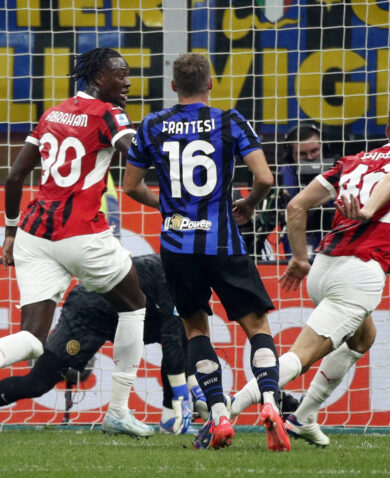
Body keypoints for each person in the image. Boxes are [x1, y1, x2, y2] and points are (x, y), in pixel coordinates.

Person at [0, 48, 155, 437]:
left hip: (32, 233)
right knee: (135, 305)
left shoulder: (51, 114)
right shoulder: (110, 115)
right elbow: (136, 152)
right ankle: (117, 411)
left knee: (32, 337)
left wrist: (9, 233)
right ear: (98, 78)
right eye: (120, 75)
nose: (127, 82)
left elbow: (13, 179)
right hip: (82, 234)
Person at [228, 97, 390, 446]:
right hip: (360, 273)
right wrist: (370, 209)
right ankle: (228, 409)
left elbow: (296, 206)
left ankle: (304, 416)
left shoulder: (351, 162)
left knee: (362, 338)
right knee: (301, 356)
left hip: (322, 268)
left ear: (386, 129)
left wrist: (298, 258)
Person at [122, 52, 290, 452]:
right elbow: (265, 177)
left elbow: (129, 186)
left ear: (174, 86)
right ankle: (269, 402)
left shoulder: (151, 126)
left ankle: (217, 417)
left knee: (195, 328)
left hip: (177, 247)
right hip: (223, 242)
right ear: (211, 84)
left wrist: (167, 206)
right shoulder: (230, 121)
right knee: (257, 326)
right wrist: (248, 204)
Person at [0, 254, 206, 435]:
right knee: (38, 382)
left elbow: (177, 348)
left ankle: (171, 420)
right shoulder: (175, 278)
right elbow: (171, 347)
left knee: (183, 340)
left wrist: (195, 393)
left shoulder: (189, 279)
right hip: (89, 312)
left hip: (129, 318)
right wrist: (190, 395)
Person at [241, 124, 336, 260]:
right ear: (291, 156)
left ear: (324, 149)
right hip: (294, 250)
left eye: (314, 151)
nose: (309, 158)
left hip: (333, 248)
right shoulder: (284, 176)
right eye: (302, 154)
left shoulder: (339, 172)